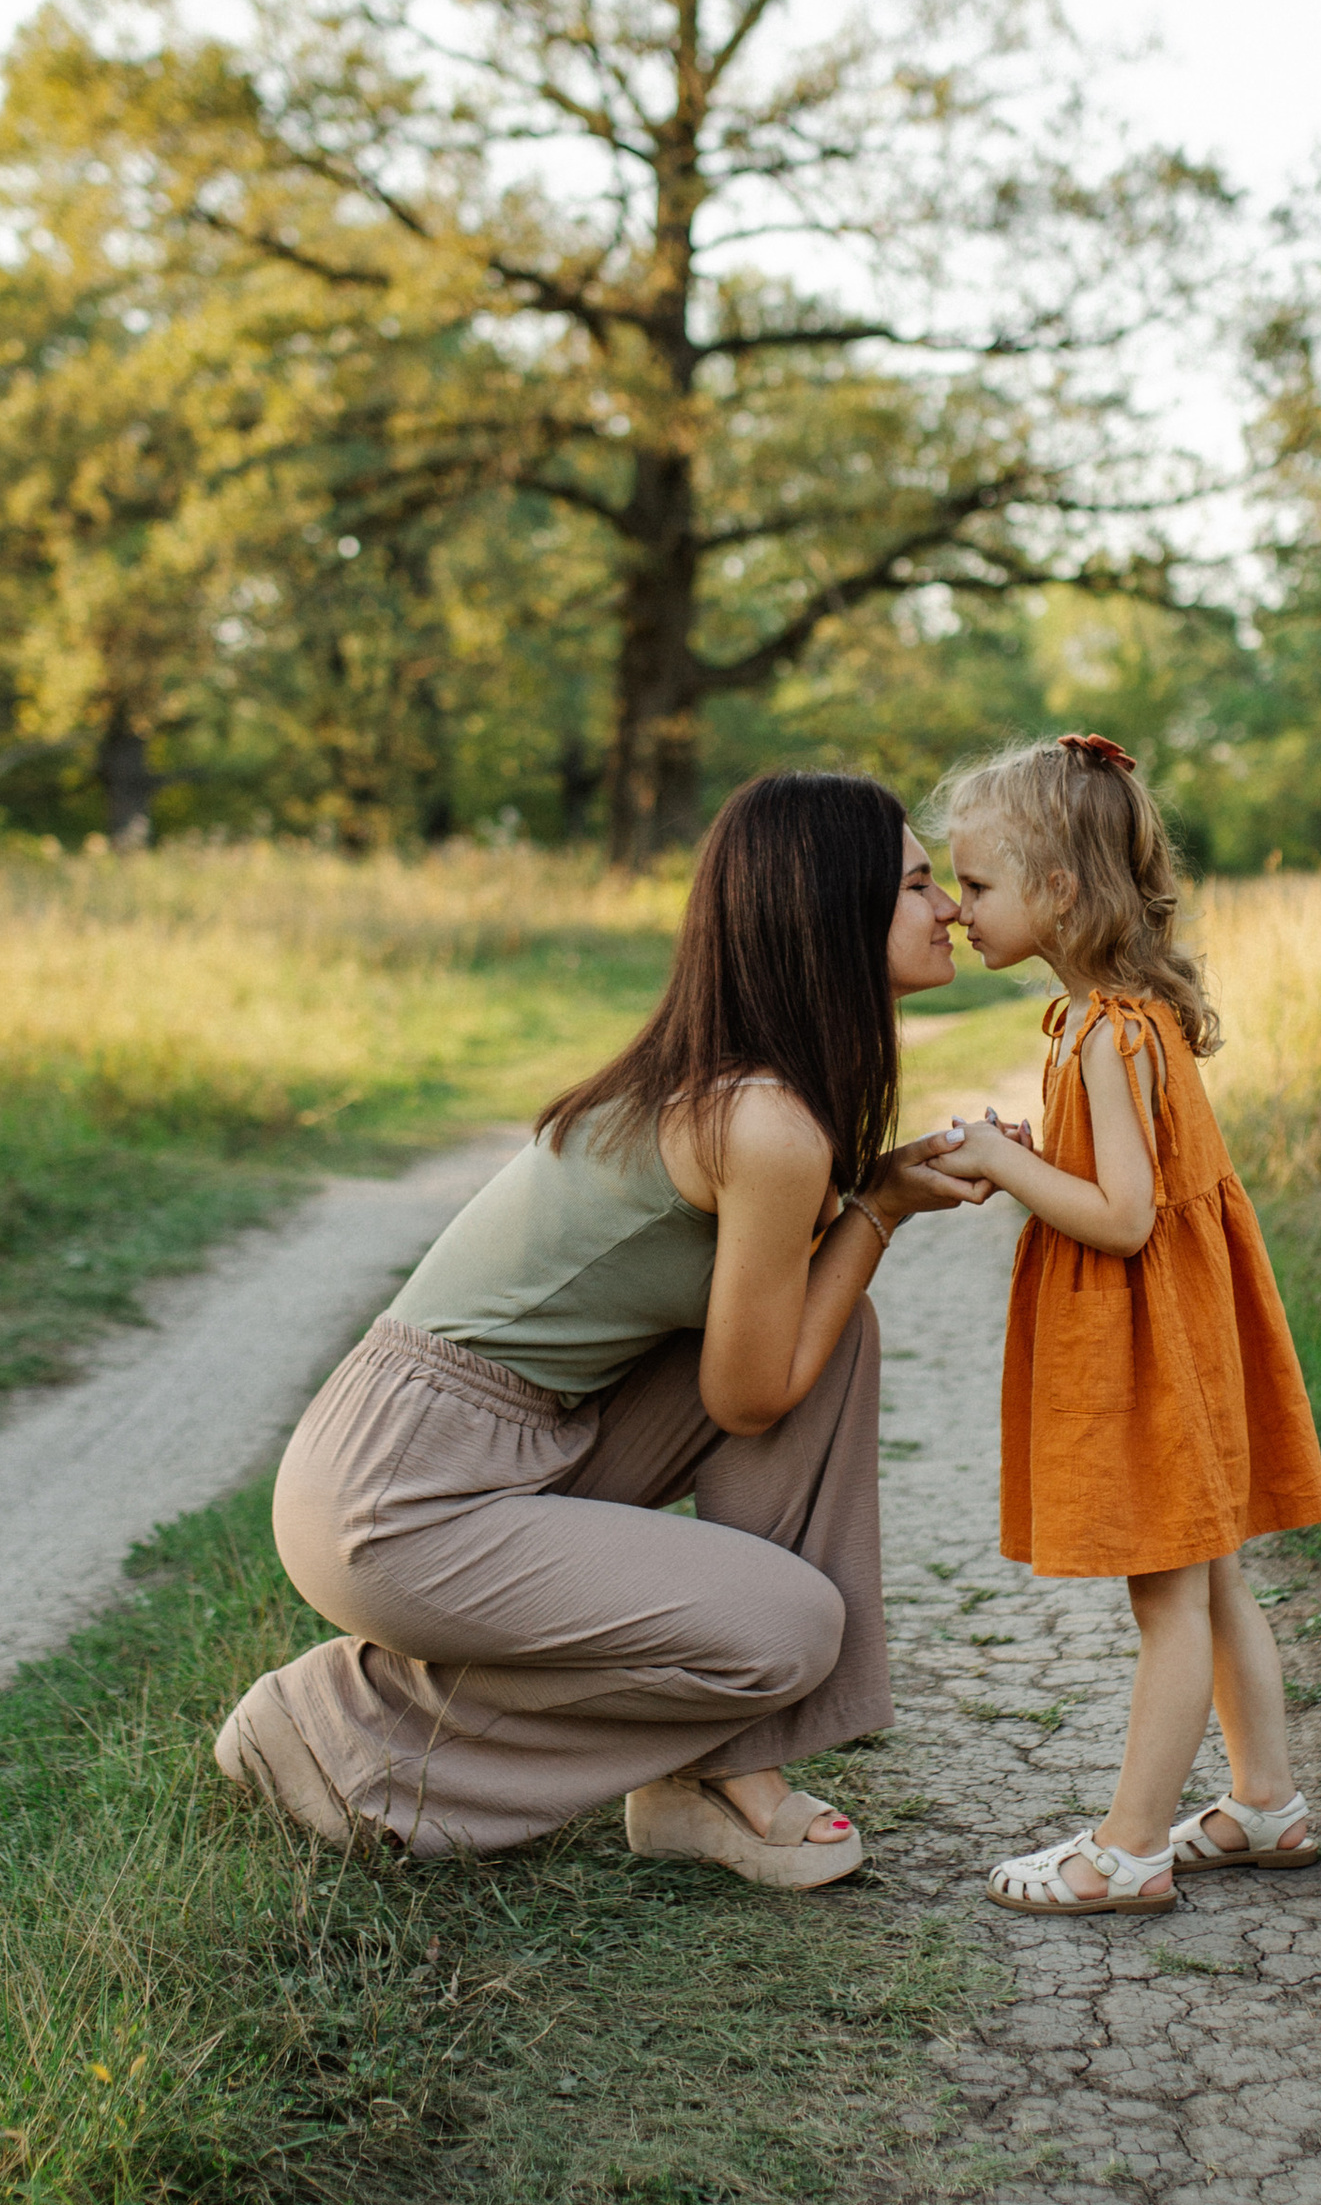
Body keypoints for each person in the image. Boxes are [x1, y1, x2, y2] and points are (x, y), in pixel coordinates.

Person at [215, 774, 984, 1889]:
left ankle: (713, 1776)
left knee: (837, 1326)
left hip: (506, 1441)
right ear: (833, 912)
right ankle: (339, 1731)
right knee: (787, 1629)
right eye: (919, 885)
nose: (951, 907)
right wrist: (881, 1206)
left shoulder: (748, 1090)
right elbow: (745, 1401)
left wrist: (869, 1203)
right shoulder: (762, 1120)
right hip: (398, 1496)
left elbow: (762, 1371)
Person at [924, 733, 1321, 1912]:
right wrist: (1031, 1148)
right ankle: (1264, 1803)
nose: (960, 910)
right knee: (1215, 1579)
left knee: (1166, 1598)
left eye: (979, 884)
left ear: (1059, 893)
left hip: (1149, 1347)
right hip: (1186, 1335)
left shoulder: (1108, 1031)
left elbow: (1116, 1218)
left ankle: (1129, 1849)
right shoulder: (1117, 1016)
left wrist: (1005, 1160)